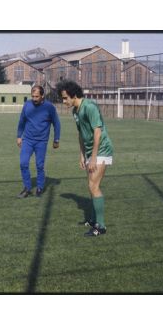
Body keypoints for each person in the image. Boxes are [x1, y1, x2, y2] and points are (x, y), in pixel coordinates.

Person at [58, 80, 113, 236]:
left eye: (65, 98)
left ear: (74, 95)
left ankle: (101, 226)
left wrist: (94, 157)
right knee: (91, 186)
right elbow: (81, 133)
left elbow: (98, 132)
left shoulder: (89, 107)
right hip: (90, 152)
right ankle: (93, 219)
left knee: (93, 186)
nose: (63, 101)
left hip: (101, 150)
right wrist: (82, 154)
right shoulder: (75, 111)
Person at [17, 85, 61, 198]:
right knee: (23, 163)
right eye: (32, 96)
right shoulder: (27, 105)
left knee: (39, 166)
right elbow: (22, 121)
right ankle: (27, 188)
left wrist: (56, 139)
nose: (34, 99)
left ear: (42, 95)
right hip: (27, 140)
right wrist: (19, 136)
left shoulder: (49, 107)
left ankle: (40, 187)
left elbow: (56, 123)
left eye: (36, 96)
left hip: (41, 142)